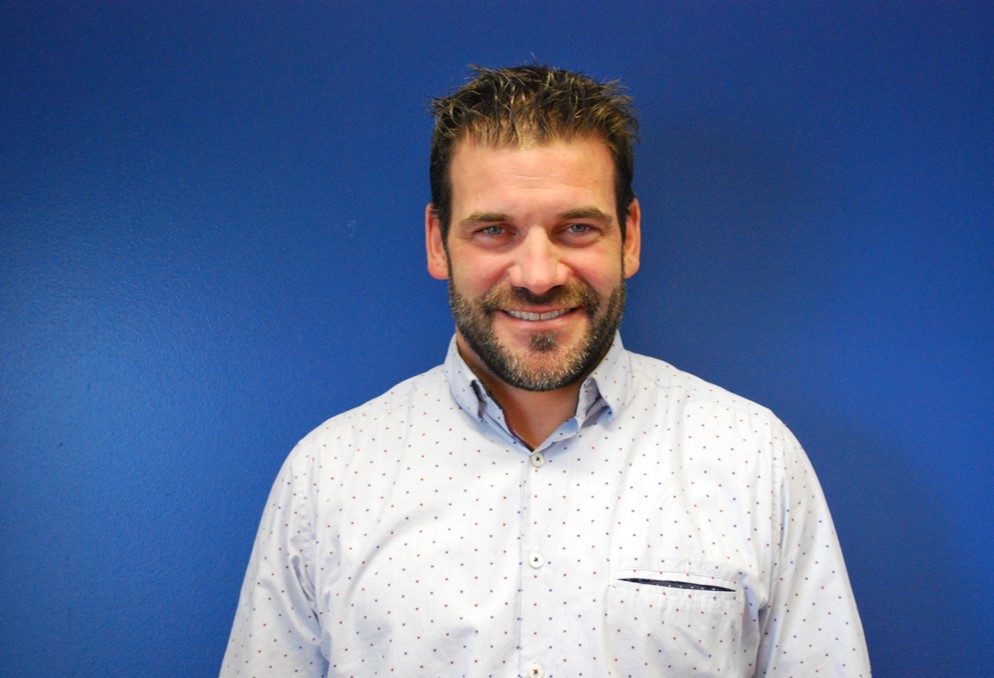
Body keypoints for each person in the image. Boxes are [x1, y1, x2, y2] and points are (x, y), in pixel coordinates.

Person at [221, 64, 870, 677]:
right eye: (494, 230)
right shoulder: (327, 476)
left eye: (576, 228)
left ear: (630, 235)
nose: (538, 275)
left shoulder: (754, 460)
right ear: (437, 241)